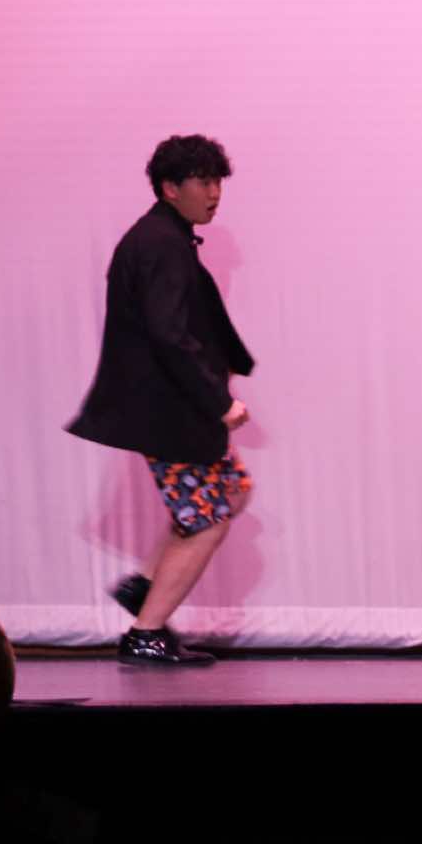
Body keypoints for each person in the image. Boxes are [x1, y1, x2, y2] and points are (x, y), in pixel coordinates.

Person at [69, 134, 256, 666]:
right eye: (203, 182)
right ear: (171, 188)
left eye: (218, 182)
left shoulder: (165, 237)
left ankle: (144, 587)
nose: (214, 193)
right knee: (208, 519)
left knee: (233, 491)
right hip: (170, 410)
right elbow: (167, 335)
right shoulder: (160, 245)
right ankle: (145, 633)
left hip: (175, 405)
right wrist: (219, 402)